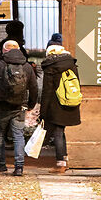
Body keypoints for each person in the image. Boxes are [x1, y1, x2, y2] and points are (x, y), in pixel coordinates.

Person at [39, 33, 83, 171]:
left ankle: (60, 164)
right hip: (69, 102)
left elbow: (46, 91)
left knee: (57, 133)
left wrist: (43, 112)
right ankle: (65, 160)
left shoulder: (50, 66)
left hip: (55, 105)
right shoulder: (71, 63)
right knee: (61, 132)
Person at [0, 35, 33, 175]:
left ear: (3, 51)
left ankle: (1, 164)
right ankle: (19, 166)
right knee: (18, 135)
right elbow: (34, 87)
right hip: (20, 106)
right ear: (19, 50)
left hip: (2, 105)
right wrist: (31, 104)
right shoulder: (26, 66)